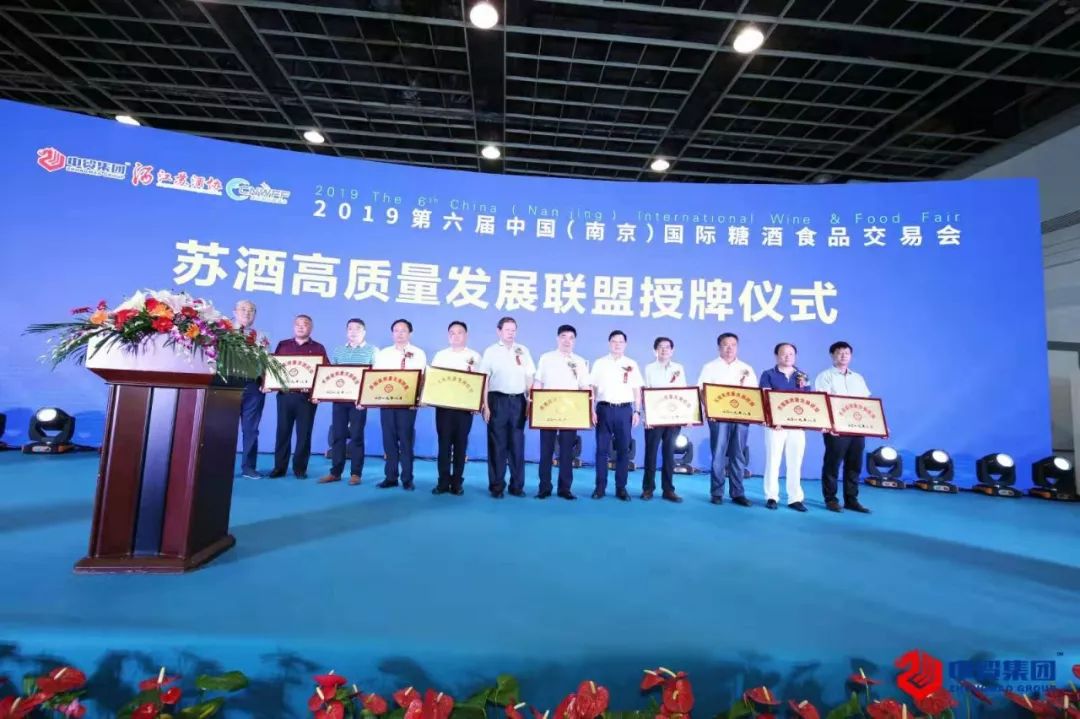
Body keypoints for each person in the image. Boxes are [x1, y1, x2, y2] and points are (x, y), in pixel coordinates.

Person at [697, 332, 756, 506]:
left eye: (733, 345)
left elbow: (754, 394)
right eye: (725, 344)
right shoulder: (710, 367)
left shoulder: (746, 368)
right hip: (718, 417)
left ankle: (738, 493)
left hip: (741, 417)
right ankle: (717, 492)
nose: (729, 348)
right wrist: (709, 409)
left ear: (737, 347)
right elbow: (702, 390)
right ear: (719, 347)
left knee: (738, 454)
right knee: (718, 454)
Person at [479, 317, 535, 498]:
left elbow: (529, 377)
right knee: (497, 444)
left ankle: (517, 486)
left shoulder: (523, 350)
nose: (511, 333)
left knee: (517, 444)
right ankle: (497, 486)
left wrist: (530, 401)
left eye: (513, 330)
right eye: (507, 330)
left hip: (518, 401)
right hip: (497, 400)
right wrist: (485, 405)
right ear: (499, 331)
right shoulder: (491, 351)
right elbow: (484, 380)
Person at [269, 314, 330, 479]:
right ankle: (279, 467)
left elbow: (325, 373)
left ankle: (300, 469)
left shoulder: (318, 348)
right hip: (285, 396)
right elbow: (273, 368)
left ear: (311, 328)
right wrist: (268, 384)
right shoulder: (283, 345)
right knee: (282, 432)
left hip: (307, 398)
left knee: (304, 434)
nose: (301, 327)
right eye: (298, 324)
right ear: (293, 327)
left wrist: (318, 394)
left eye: (305, 324)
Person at [533, 324, 590, 500]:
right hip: (547, 411)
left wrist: (588, 409)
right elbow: (538, 383)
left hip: (571, 413)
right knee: (546, 451)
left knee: (567, 452)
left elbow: (585, 387)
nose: (567, 341)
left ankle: (565, 488)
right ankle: (544, 487)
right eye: (564, 337)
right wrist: (533, 406)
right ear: (557, 338)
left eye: (571, 338)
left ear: (574, 341)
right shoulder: (546, 358)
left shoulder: (580, 361)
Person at [814, 341, 872, 514]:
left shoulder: (858, 378)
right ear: (832, 355)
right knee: (833, 463)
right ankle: (831, 499)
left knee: (854, 464)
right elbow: (822, 402)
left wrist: (877, 426)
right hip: (836, 427)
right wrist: (827, 424)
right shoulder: (825, 376)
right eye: (839, 352)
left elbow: (866, 404)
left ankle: (851, 499)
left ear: (851, 356)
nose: (843, 356)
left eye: (847, 353)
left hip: (857, 427)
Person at [318, 318, 377, 486]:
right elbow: (332, 375)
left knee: (357, 436)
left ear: (364, 332)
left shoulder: (372, 350)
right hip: (339, 399)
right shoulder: (338, 350)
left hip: (358, 401)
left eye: (357, 328)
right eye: (350, 328)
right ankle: (335, 472)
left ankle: (356, 474)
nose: (353, 331)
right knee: (338, 436)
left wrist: (365, 399)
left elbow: (373, 376)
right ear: (346, 332)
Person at [372, 319, 427, 491]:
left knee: (406, 440)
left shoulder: (418, 353)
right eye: (396, 330)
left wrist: (418, 399)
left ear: (410, 333)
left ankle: (407, 479)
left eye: (403, 330)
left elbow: (423, 378)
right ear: (392, 333)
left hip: (408, 404)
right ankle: (390, 477)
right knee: (388, 439)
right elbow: (375, 377)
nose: (399, 333)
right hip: (387, 401)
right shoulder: (383, 353)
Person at [430, 321, 482, 496]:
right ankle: (443, 482)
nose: (456, 336)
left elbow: (480, 382)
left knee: (461, 445)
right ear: (448, 336)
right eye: (452, 333)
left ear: (466, 335)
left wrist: (477, 403)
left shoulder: (475, 356)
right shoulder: (441, 355)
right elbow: (434, 380)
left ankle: (457, 482)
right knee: (444, 444)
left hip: (465, 409)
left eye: (460, 332)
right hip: (444, 407)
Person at [590, 330, 643, 501]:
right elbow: (593, 389)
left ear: (625, 344)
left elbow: (637, 390)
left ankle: (621, 488)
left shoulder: (631, 363)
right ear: (609, 343)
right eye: (614, 341)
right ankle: (600, 487)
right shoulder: (599, 363)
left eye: (621, 342)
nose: (617, 344)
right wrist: (591, 409)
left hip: (624, 410)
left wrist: (637, 411)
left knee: (623, 451)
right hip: (604, 409)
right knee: (601, 450)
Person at [759, 343, 810, 512]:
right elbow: (764, 398)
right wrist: (772, 420)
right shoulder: (768, 374)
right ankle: (771, 496)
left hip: (797, 426)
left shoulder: (803, 376)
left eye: (791, 354)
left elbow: (809, 400)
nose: (788, 357)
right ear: (776, 356)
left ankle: (795, 498)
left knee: (795, 462)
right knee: (773, 460)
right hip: (776, 426)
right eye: (784, 354)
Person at [641, 336, 684, 503]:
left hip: (673, 418)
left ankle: (668, 490)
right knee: (650, 453)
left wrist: (686, 416)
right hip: (655, 417)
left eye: (667, 347)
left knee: (669, 454)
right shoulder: (649, 368)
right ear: (655, 350)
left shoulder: (679, 368)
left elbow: (683, 393)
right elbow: (644, 393)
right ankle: (648, 489)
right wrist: (646, 416)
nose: (664, 349)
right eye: (660, 347)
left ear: (672, 351)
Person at [234, 299, 265, 479]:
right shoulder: (222, 332)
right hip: (227, 385)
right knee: (222, 428)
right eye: (243, 309)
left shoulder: (260, 337)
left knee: (251, 429)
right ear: (235, 312)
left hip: (253, 386)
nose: (247, 313)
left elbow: (266, 362)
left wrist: (266, 382)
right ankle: (219, 465)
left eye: (251, 310)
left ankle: (248, 467)